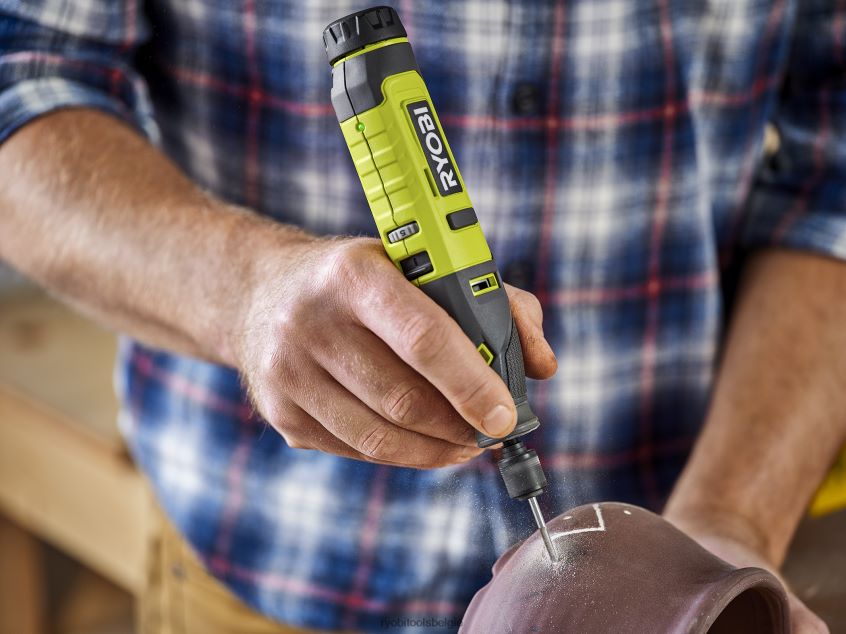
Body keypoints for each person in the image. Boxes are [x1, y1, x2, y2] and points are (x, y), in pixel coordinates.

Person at [0, 2, 841, 633]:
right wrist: (245, 292)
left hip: (679, 551)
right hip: (262, 572)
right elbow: (20, 78)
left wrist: (727, 525)